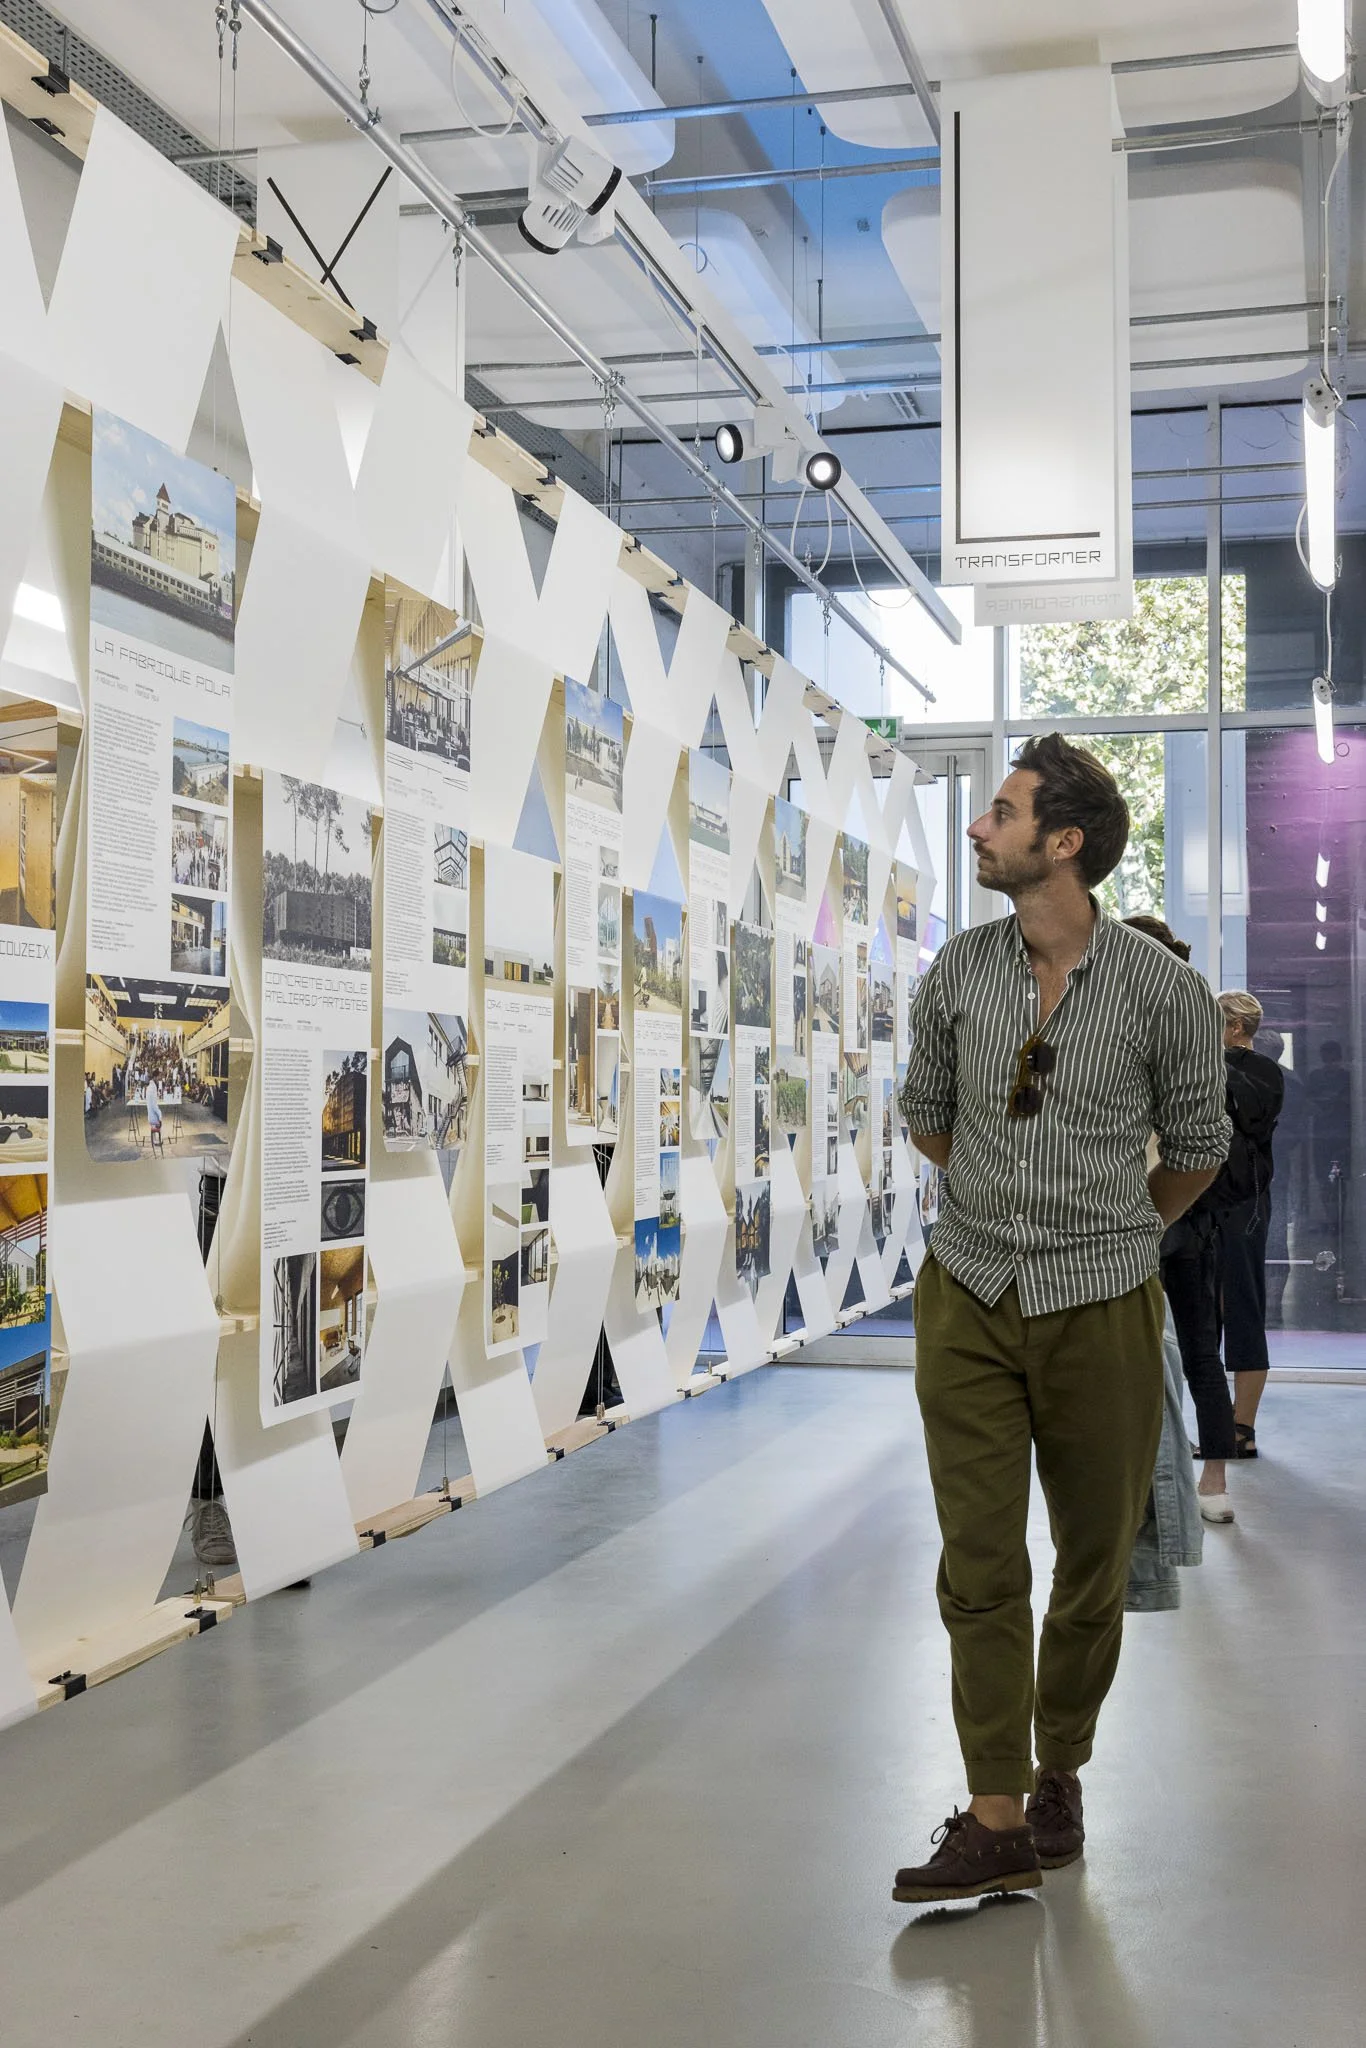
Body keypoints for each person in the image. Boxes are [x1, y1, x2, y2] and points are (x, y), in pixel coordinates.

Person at [894, 735, 1228, 1906]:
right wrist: (1000, 1202)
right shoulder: (959, 970)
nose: (980, 830)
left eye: (1001, 812)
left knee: (1092, 1563)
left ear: (1063, 842)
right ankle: (993, 1813)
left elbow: (1198, 1148)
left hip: (1103, 1305)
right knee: (979, 1563)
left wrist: (1108, 1226)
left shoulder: (1163, 989)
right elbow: (926, 1116)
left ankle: (1058, 1769)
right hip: (970, 1295)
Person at [1122, 921, 1239, 1524]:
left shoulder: (1142, 1035)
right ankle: (1207, 1482)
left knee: (1162, 1356)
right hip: (1172, 1220)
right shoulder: (1183, 1033)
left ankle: (1170, 1489)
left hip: (1151, 1221)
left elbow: (1200, 1145)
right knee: (1192, 1354)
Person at [1216, 991, 1284, 1460]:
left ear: (1237, 1027)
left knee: (1244, 1304)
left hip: (1244, 1205)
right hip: (1208, 1204)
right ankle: (1220, 1426)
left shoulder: (1262, 1073)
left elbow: (1246, 1114)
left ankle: (1243, 1427)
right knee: (1203, 1313)